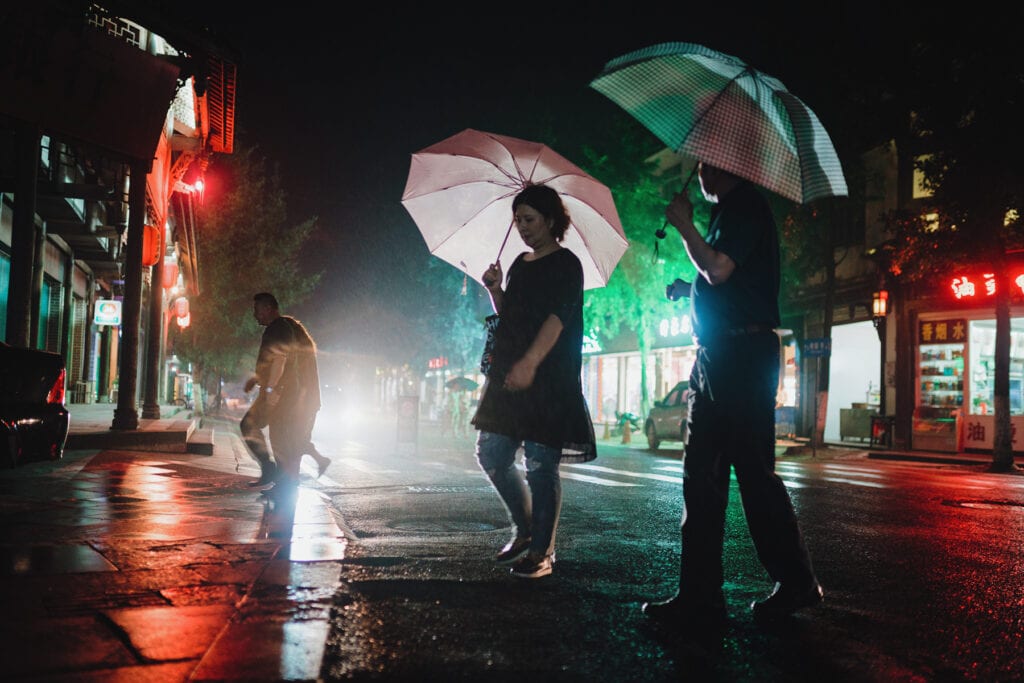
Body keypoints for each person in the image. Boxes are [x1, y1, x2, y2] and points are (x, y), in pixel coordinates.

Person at [642, 162, 822, 625]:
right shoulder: (729, 212)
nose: (698, 172)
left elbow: (719, 268)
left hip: (742, 355)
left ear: (726, 165)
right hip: (720, 354)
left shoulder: (745, 206)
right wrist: (692, 289)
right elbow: (721, 278)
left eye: (704, 163)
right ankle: (699, 595)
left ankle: (796, 580)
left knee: (752, 475)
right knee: (701, 477)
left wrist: (685, 226)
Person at [471, 183, 597, 580]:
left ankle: (542, 551)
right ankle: (525, 529)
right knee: (491, 453)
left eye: (529, 219)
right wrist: (495, 291)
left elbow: (558, 319)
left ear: (550, 219)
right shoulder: (519, 264)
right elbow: (512, 317)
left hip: (548, 378)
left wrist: (530, 362)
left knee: (541, 465)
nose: (522, 227)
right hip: (509, 374)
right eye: (517, 220)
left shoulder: (567, 264)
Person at [240, 293, 329, 497]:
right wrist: (257, 379)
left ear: (269, 308)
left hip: (282, 394)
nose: (255, 315)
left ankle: (280, 481)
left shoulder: (278, 328)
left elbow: (280, 361)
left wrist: (271, 389)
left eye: (257, 310)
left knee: (271, 434)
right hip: (289, 395)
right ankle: (282, 481)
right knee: (284, 438)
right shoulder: (285, 327)